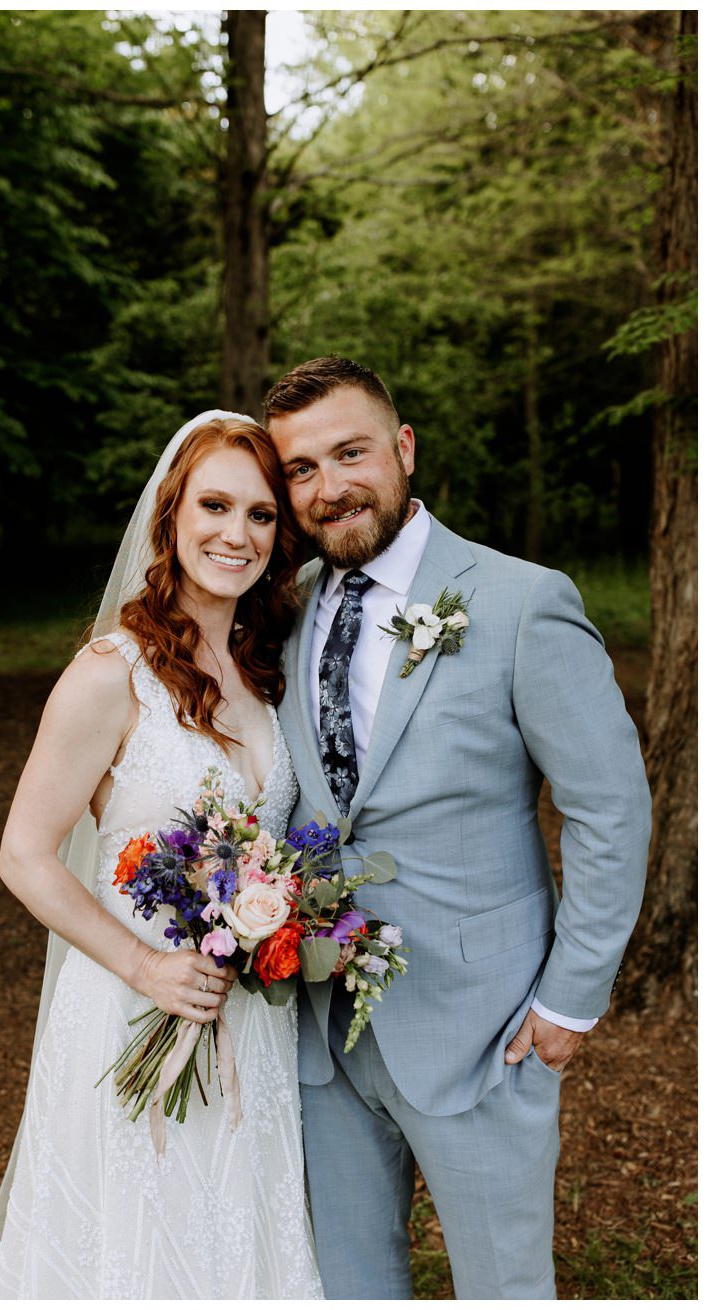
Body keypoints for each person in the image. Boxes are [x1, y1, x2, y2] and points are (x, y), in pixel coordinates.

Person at [0, 412, 323, 1299]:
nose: (237, 534)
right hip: (127, 1005)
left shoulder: (272, 671)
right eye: (215, 506)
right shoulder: (111, 672)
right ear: (171, 516)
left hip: (250, 1017)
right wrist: (147, 967)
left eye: (261, 515)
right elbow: (24, 855)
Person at [264, 356, 650, 1298]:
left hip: (486, 1030)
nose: (329, 488)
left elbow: (609, 806)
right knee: (350, 1283)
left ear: (402, 449)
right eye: (301, 471)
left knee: (503, 1287)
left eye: (349, 453)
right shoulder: (282, 612)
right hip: (320, 1032)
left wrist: (570, 1001)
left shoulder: (524, 601)